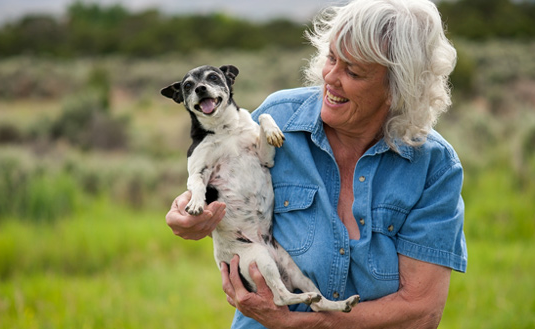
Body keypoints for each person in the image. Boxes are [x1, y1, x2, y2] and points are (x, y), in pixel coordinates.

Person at [165, 0, 467, 327]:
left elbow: (421, 311)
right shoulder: (279, 118)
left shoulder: (433, 166)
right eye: (332, 58)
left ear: (397, 88)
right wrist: (186, 213)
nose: (330, 78)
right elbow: (216, 182)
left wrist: (306, 324)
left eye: (353, 71)